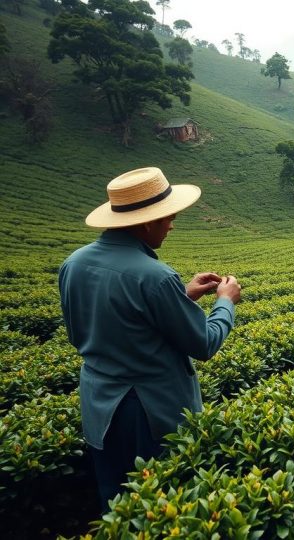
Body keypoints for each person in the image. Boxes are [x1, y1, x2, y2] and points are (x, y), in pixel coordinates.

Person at [58, 167, 242, 511]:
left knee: (117, 506)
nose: (171, 224)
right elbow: (204, 343)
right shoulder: (155, 276)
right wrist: (225, 302)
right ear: (146, 223)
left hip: (98, 406)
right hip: (150, 413)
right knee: (161, 505)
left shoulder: (74, 264)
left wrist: (180, 296)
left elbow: (102, 325)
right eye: (168, 217)